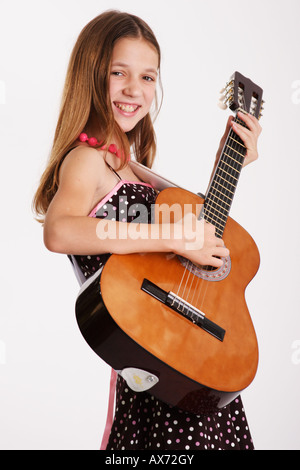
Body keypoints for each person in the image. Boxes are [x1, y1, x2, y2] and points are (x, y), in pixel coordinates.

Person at [33, 10, 262, 450]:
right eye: (119, 72)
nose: (134, 90)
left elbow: (183, 246)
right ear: (92, 74)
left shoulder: (132, 168)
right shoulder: (86, 159)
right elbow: (59, 231)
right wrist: (174, 238)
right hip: (155, 358)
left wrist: (227, 165)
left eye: (148, 77)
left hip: (193, 358)